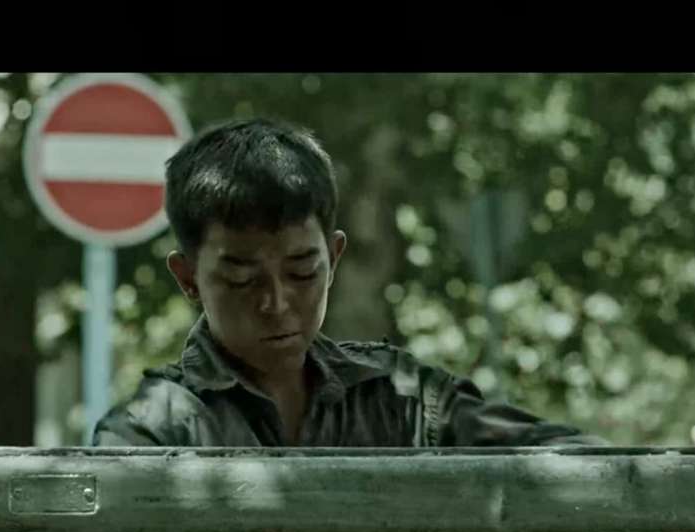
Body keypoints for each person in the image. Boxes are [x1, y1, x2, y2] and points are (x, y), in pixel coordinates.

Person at [91, 118, 604, 448]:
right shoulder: (150, 433)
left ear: (334, 258)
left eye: (302, 271)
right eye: (241, 277)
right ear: (188, 279)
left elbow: (570, 463)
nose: (276, 302)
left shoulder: (403, 398)